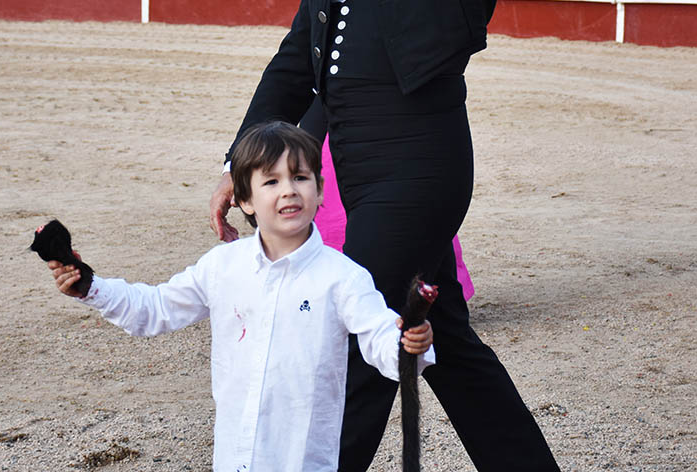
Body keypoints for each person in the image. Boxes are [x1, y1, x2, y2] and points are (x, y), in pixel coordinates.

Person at [208, 0, 682, 472]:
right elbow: (298, 58)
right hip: (359, 171)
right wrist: (241, 162)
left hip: (421, 168)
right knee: (449, 346)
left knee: (361, 340)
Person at [51, 120, 433, 471]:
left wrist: (407, 342)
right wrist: (91, 287)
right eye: (272, 181)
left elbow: (379, 335)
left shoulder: (342, 277)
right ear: (245, 200)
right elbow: (154, 308)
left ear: (319, 190)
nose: (289, 190)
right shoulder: (223, 267)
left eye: (300, 177)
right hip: (234, 458)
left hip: (303, 461)